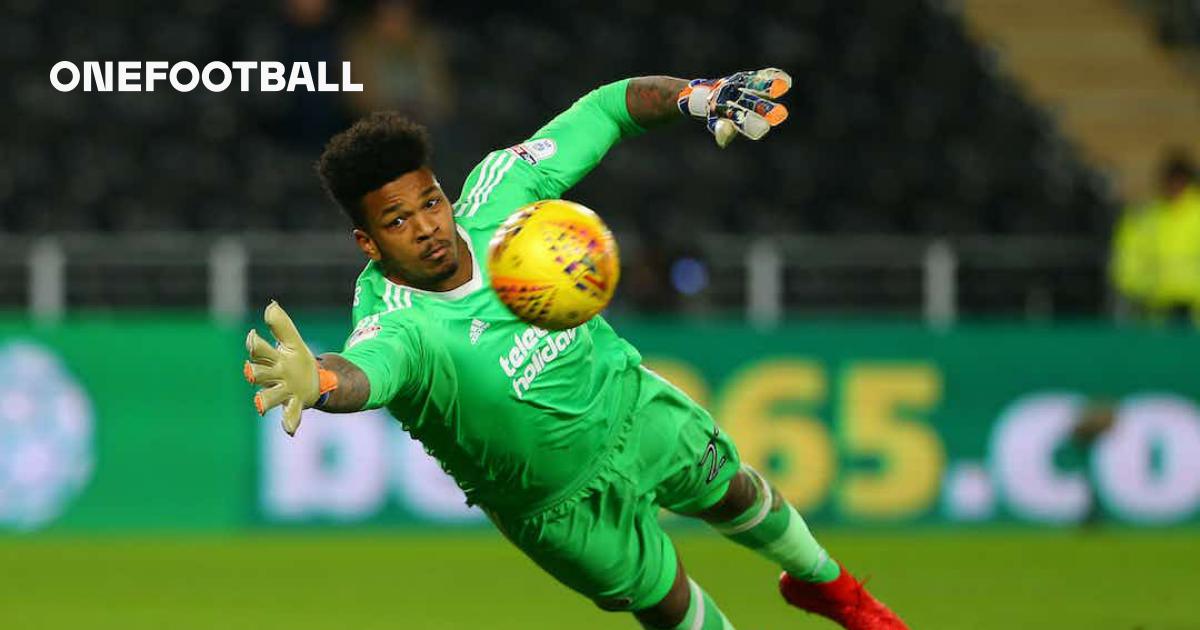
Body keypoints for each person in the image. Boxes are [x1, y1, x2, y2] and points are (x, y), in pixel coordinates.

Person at [243, 69, 906, 629]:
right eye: (397, 221)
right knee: (670, 605)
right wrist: (320, 383)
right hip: (557, 508)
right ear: (368, 244)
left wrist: (697, 97)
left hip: (631, 409)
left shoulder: (502, 194)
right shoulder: (397, 322)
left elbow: (609, 109)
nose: (427, 228)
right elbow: (366, 373)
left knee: (732, 490)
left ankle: (831, 589)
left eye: (430, 202)